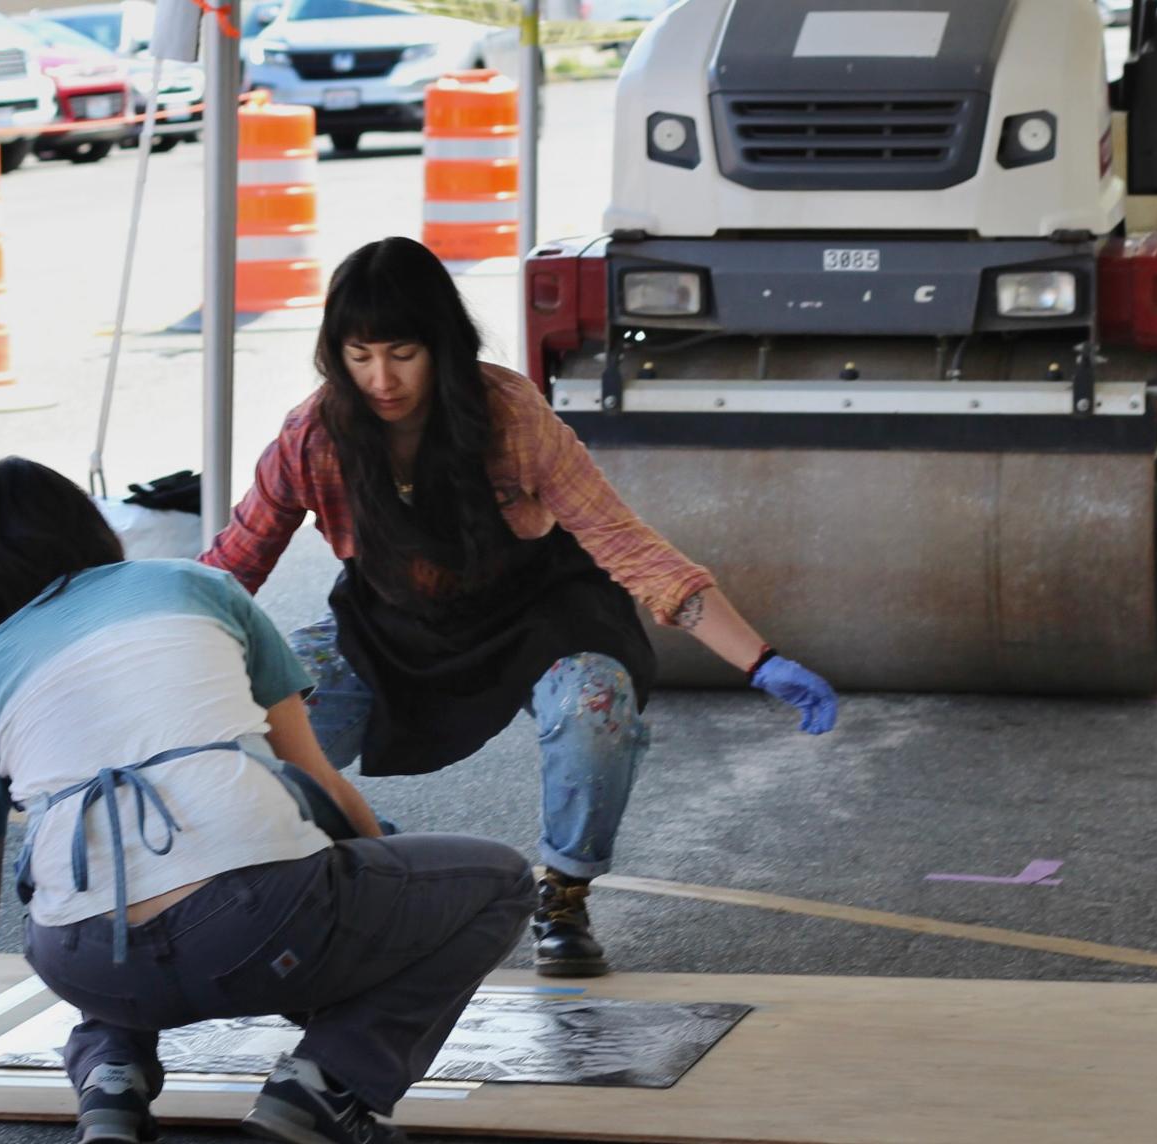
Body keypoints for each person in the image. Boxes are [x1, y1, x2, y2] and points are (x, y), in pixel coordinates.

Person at [202, 236, 838, 978]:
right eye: (359, 354)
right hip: (389, 624)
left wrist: (759, 659)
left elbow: (626, 544)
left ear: (442, 343)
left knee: (595, 705)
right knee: (262, 728)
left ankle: (564, 895)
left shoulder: (508, 414)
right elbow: (231, 565)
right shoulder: (312, 436)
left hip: (539, 612)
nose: (381, 378)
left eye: (403, 352)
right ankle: (345, 870)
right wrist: (142, 655)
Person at [0, 457, 535, 1144]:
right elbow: (320, 784)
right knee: (500, 882)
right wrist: (369, 911)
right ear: (87, 531)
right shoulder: (192, 584)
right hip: (258, 927)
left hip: (87, 966)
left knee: (106, 879)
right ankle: (324, 1088)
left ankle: (109, 1085)